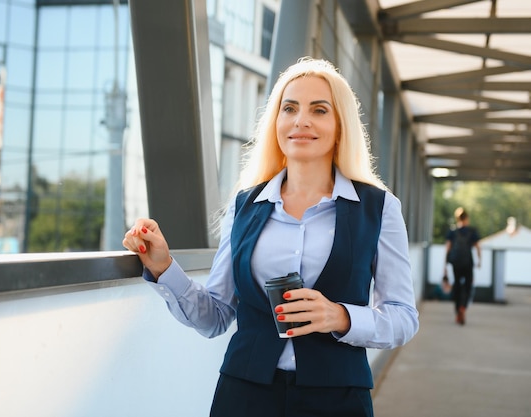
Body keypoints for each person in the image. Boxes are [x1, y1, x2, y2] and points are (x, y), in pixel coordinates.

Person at [122, 57, 419, 417]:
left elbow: (403, 317)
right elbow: (215, 316)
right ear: (275, 122)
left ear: (341, 126)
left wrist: (340, 316)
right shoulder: (244, 205)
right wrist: (163, 266)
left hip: (337, 399)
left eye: (319, 110)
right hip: (244, 396)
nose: (301, 121)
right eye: (289, 108)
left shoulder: (379, 207)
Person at [444, 207, 481, 325]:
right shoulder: (472, 231)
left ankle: (457, 310)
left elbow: (448, 248)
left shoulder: (453, 231)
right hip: (468, 263)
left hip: (456, 263)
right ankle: (463, 307)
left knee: (457, 286)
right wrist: (480, 260)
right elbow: (478, 247)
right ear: (467, 218)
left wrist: (445, 264)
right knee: (468, 285)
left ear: (457, 218)